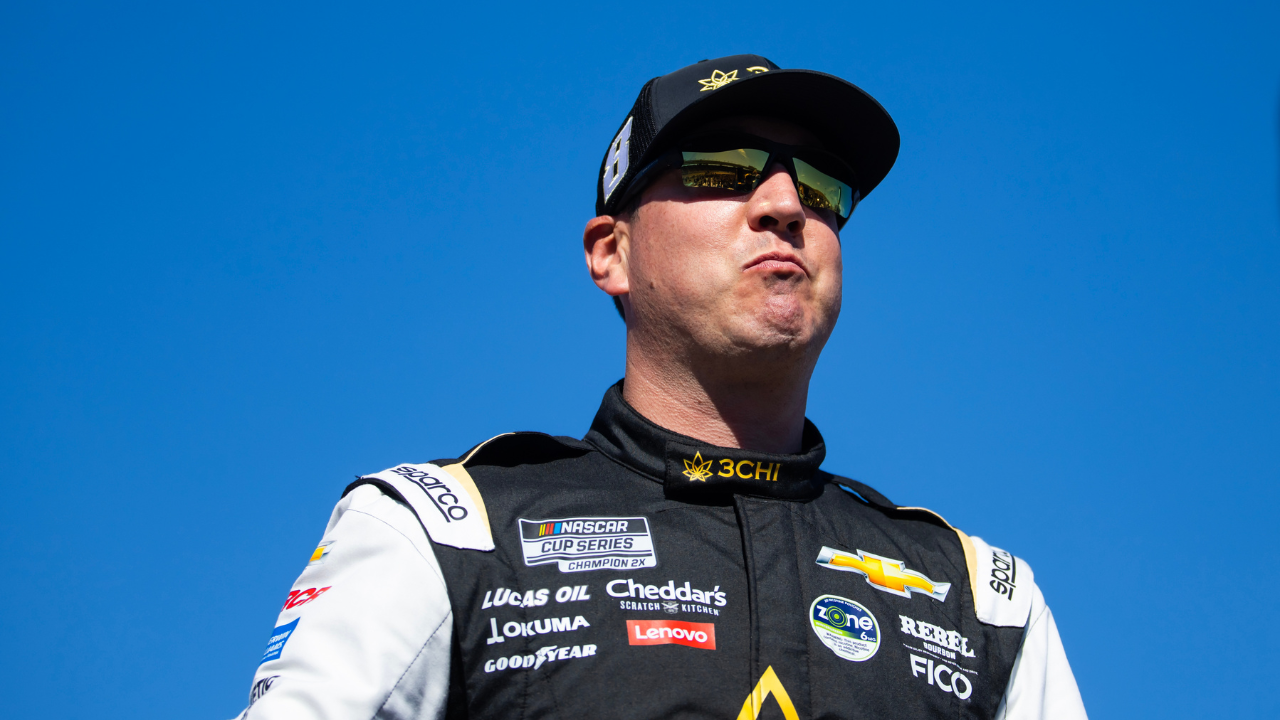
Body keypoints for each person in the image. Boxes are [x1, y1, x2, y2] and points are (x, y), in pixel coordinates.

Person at [230, 54, 1087, 720]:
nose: (786, 204)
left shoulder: (983, 598)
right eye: (722, 168)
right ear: (613, 252)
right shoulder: (443, 529)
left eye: (822, 185)